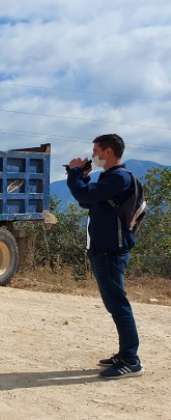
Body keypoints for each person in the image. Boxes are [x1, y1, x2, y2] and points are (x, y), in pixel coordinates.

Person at [67, 134, 143, 379]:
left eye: (96, 150)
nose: (93, 154)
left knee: (118, 305)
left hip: (111, 250)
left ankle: (131, 360)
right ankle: (125, 354)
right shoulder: (110, 177)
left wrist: (75, 173)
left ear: (108, 152)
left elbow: (85, 196)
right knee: (114, 304)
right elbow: (88, 202)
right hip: (105, 248)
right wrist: (83, 178)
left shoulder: (119, 177)